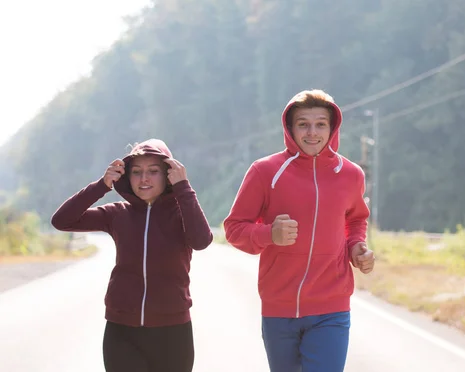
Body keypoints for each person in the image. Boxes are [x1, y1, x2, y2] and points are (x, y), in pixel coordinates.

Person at [223, 89, 375, 372]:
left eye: (321, 124)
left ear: (332, 128)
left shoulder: (351, 174)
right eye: (303, 124)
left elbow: (355, 219)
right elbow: (234, 229)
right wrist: (269, 234)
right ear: (290, 128)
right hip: (279, 306)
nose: (312, 132)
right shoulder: (265, 171)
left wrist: (357, 247)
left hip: (332, 305)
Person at [51, 138, 213, 372]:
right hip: (122, 331)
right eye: (136, 172)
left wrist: (183, 187)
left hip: (172, 332)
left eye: (153, 171)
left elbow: (201, 241)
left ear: (169, 174)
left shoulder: (182, 213)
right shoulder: (117, 214)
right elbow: (61, 221)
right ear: (127, 177)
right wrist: (101, 186)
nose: (144, 178)